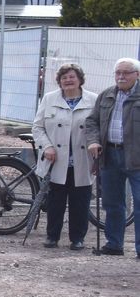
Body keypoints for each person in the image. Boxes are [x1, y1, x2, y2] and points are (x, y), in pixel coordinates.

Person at [32, 63, 97, 250]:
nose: (68, 80)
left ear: (80, 79)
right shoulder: (49, 98)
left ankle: (77, 238)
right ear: (59, 81)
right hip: (56, 160)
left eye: (72, 77)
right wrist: (47, 147)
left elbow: (98, 128)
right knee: (55, 202)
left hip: (82, 161)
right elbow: (37, 127)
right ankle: (52, 236)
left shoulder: (92, 100)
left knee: (80, 202)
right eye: (64, 78)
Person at [85, 57, 140, 257]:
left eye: (126, 73)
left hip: (136, 158)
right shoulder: (107, 95)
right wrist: (93, 141)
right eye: (118, 73)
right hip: (110, 154)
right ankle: (114, 244)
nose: (121, 76)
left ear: (137, 75)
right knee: (112, 202)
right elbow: (91, 122)